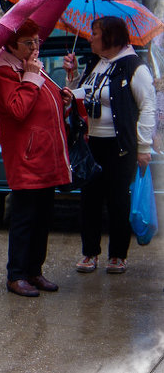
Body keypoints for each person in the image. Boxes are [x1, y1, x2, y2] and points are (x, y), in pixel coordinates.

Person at [0, 18, 75, 297]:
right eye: (29, 42)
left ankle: (35, 271)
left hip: (46, 156)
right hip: (27, 159)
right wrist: (31, 79)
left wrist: (64, 101)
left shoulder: (31, 67)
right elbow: (17, 110)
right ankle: (17, 275)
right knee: (24, 219)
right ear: (12, 44)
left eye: (37, 41)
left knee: (43, 218)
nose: (36, 47)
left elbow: (47, 106)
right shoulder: (4, 72)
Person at [63, 16, 156, 274]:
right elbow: (83, 93)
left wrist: (144, 146)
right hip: (93, 144)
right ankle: (90, 253)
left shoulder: (134, 67)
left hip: (120, 147)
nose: (90, 38)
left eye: (95, 33)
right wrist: (72, 79)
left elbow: (148, 106)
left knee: (118, 201)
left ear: (111, 37)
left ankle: (118, 255)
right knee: (90, 200)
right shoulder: (97, 64)